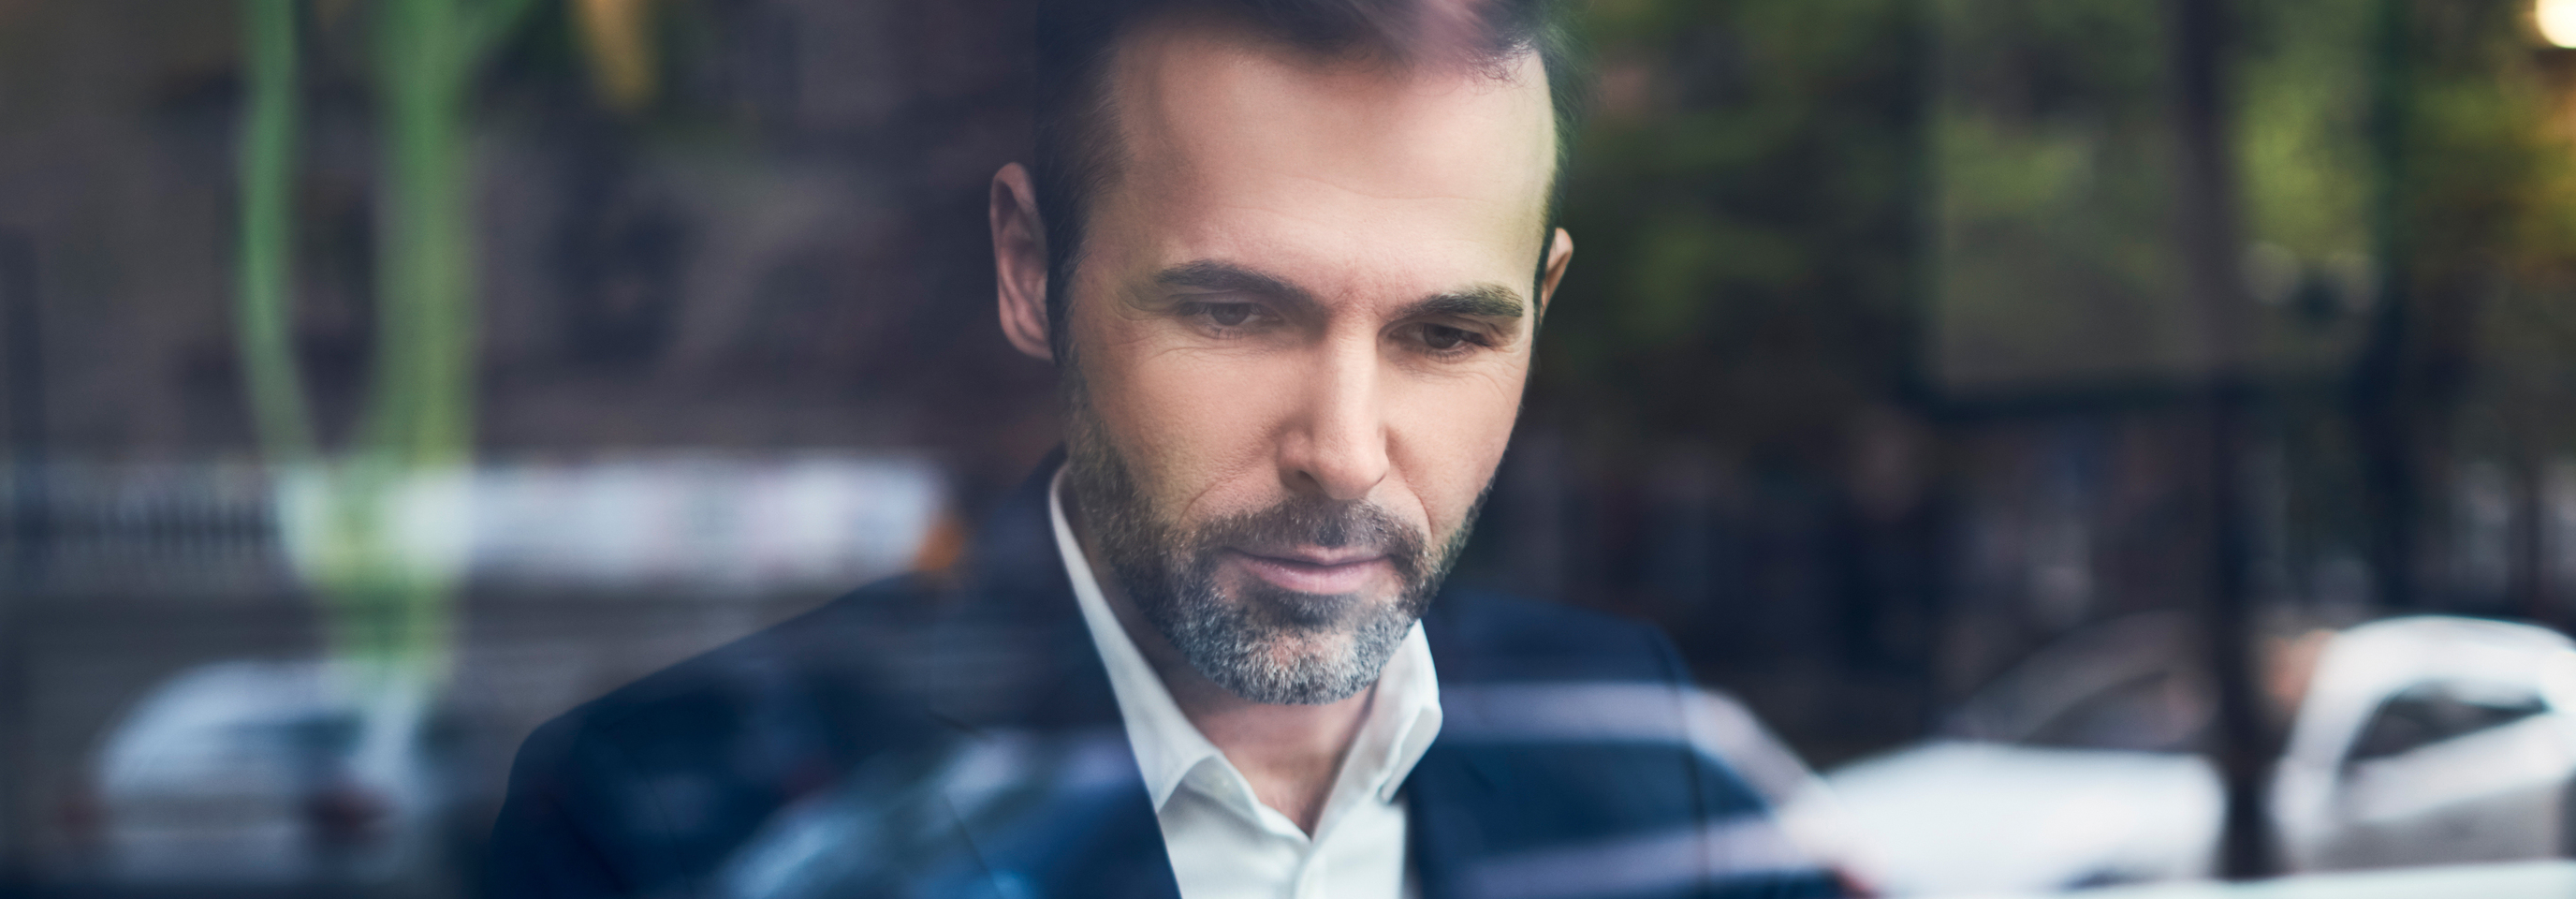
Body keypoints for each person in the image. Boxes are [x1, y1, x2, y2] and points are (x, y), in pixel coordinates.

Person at [478, 1, 1837, 897]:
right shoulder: (660, 819)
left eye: (1446, 337)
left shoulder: (1648, 752)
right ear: (1029, 273)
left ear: (1541, 307)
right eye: (1235, 314)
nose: (1346, 454)